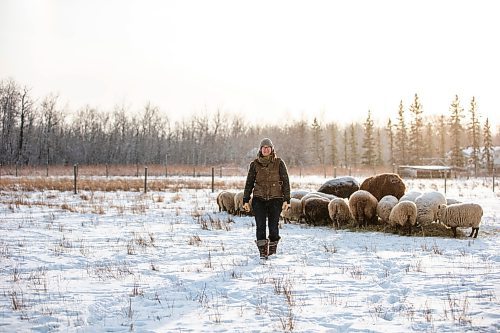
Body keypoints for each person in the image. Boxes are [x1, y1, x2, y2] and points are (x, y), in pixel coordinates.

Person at [243, 138, 291, 259]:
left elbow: (286, 181)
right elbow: (249, 183)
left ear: (272, 149)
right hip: (259, 199)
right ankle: (263, 253)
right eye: (263, 147)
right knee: (260, 226)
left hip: (276, 198)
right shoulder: (254, 164)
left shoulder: (279, 163)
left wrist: (287, 199)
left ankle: (272, 251)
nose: (266, 149)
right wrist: (245, 199)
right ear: (260, 149)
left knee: (273, 227)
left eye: (268, 147)